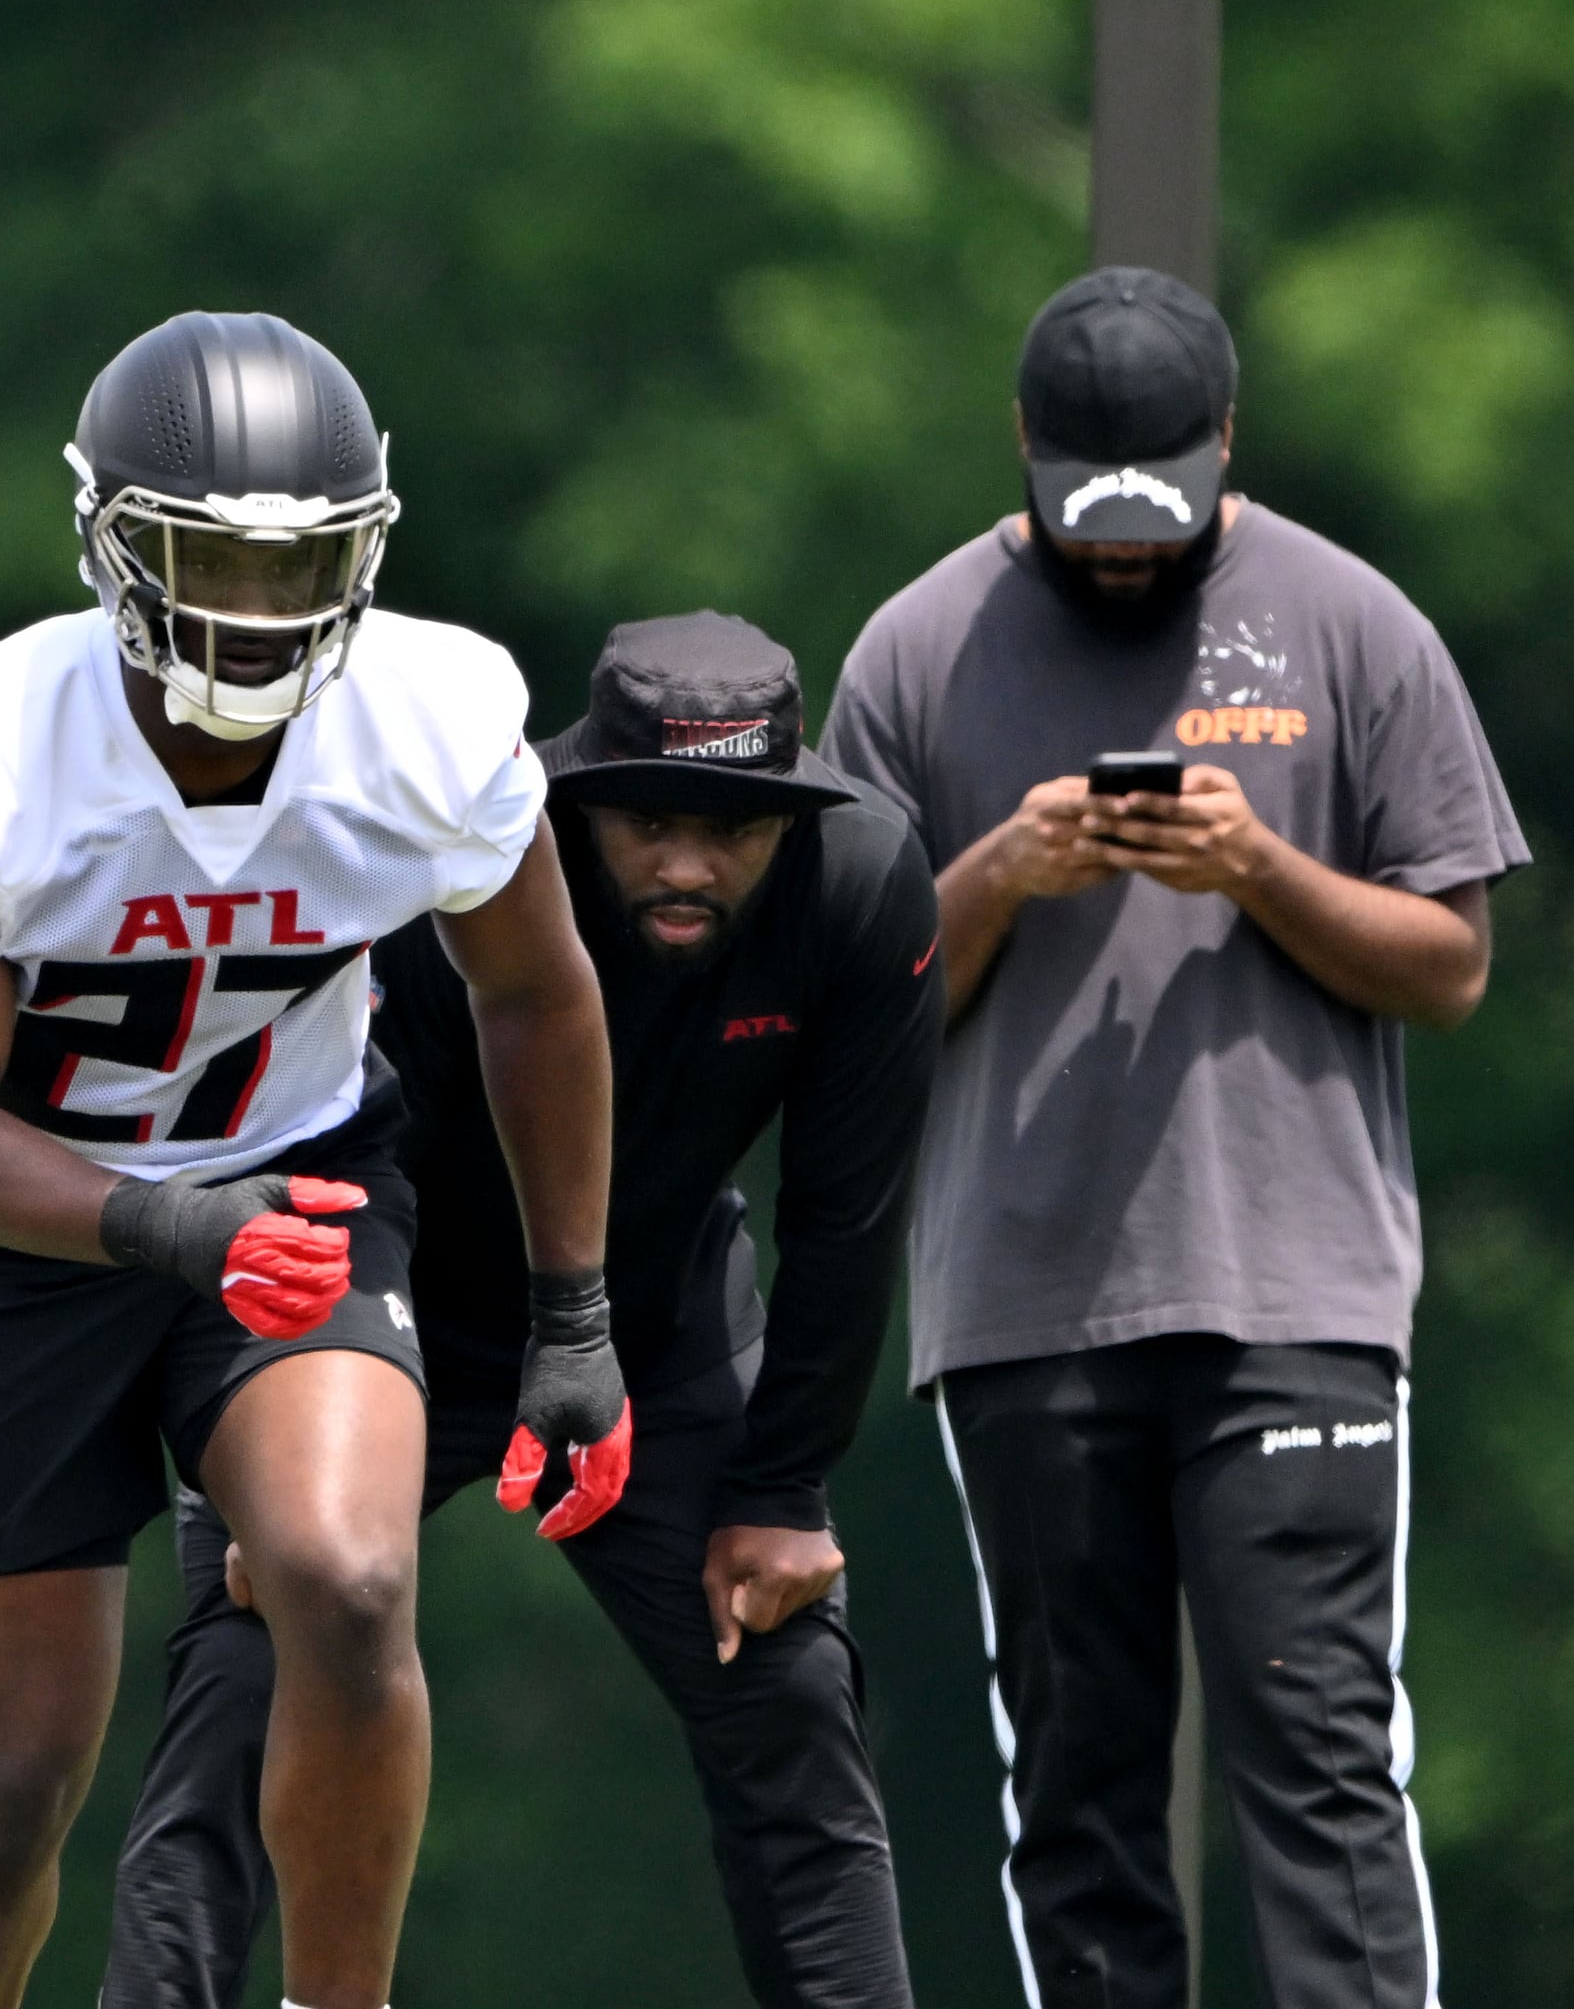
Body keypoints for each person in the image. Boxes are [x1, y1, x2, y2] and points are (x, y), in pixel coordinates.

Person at [0, 310, 617, 2009]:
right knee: (12, 1782)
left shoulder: (427, 716)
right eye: (210, 563)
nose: (254, 616)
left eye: (299, 571)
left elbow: (538, 995)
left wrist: (577, 1308)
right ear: (112, 542)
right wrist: (155, 1222)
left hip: (298, 1184)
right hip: (31, 1235)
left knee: (346, 1583)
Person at [825, 266, 1527, 2009]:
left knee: (1321, 1757)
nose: (1125, 551)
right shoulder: (918, 651)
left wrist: (1262, 871)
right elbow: (847, 1012)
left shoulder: (1356, 627)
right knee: (1079, 1782)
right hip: (1028, 1306)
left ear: (1227, 443)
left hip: (1295, 1298)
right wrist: (995, 871)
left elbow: (1450, 967)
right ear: (1024, 450)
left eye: (1160, 512)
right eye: (1089, 516)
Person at [104, 612, 946, 2009]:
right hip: (384, 1304)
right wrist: (291, 1435)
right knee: (258, 1663)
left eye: (736, 832)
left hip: (657, 1330)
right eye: (653, 825)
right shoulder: (463, 853)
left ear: (794, 819)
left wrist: (786, 1484)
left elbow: (847, 1213)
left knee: (792, 1692)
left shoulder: (862, 882)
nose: (690, 865)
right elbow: (316, 1146)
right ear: (578, 803)